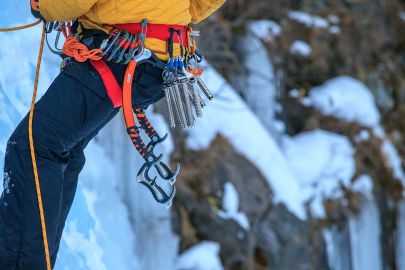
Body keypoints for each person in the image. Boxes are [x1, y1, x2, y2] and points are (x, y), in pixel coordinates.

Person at [0, 0, 226, 269]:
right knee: (63, 150)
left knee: (34, 147)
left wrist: (46, 6)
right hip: (159, 54)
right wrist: (173, 12)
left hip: (122, 50)